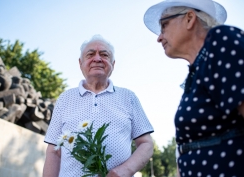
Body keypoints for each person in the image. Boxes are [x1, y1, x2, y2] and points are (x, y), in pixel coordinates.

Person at [143, 0, 244, 176]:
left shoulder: (221, 40)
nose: (159, 37)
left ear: (190, 18)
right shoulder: (197, 70)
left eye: (164, 25)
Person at [43, 35, 154, 177]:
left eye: (104, 54)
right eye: (90, 54)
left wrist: (125, 170)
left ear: (113, 64)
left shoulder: (128, 97)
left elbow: (146, 144)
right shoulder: (65, 98)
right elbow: (54, 151)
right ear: (80, 63)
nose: (97, 58)